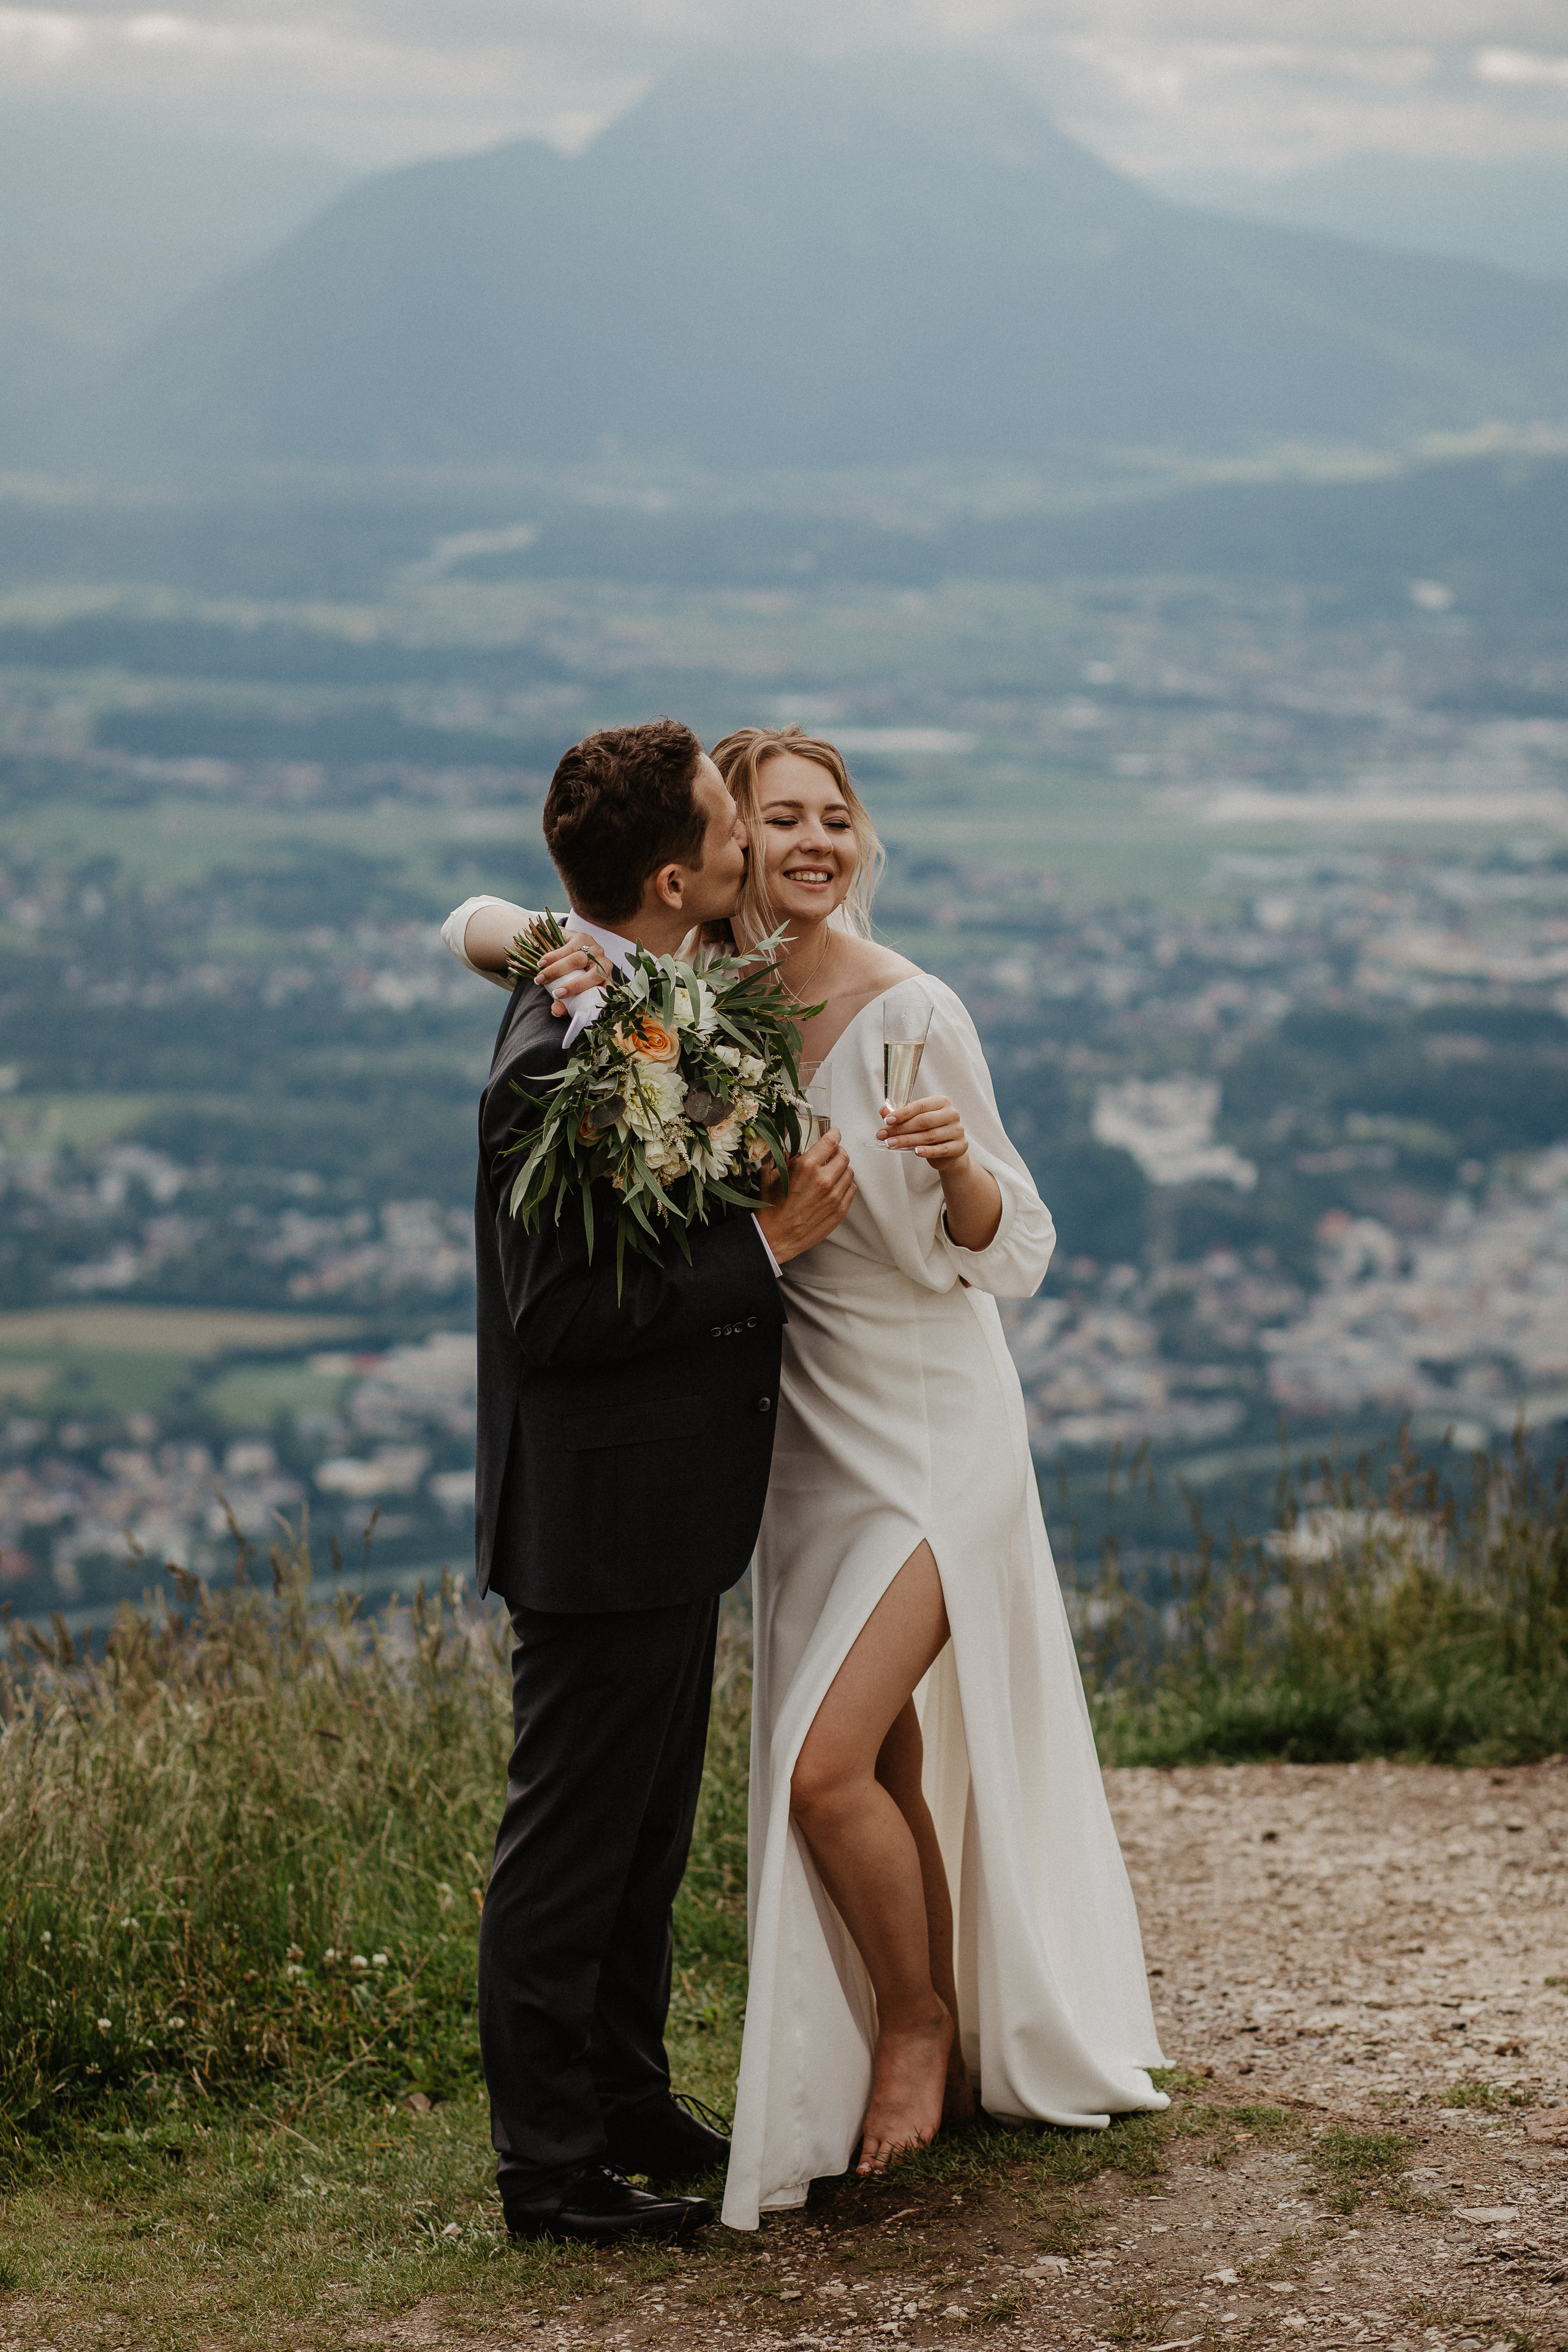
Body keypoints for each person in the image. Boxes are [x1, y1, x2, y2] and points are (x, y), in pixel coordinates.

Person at [445, 723, 1167, 2236]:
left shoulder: (903, 1008)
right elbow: (502, 937)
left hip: (922, 1424)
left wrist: (958, 1163)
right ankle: (575, 2157)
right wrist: (538, 948)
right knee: (823, 1778)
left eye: (831, 816)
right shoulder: (679, 1001)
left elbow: (1010, 1243)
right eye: (763, 820)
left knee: (790, 1779)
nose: (801, 842)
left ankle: (901, 2028)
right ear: (703, 871)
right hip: (783, 1453)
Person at [469, 717, 856, 2247]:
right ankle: (549, 2178)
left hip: (660, 1510)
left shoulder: (624, 996)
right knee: (567, 1856)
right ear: (672, 874)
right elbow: (551, 1319)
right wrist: (762, 1248)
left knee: (638, 1845)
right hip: (597, 1515)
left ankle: (626, 2100)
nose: (751, 847)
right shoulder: (559, 1054)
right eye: (728, 822)